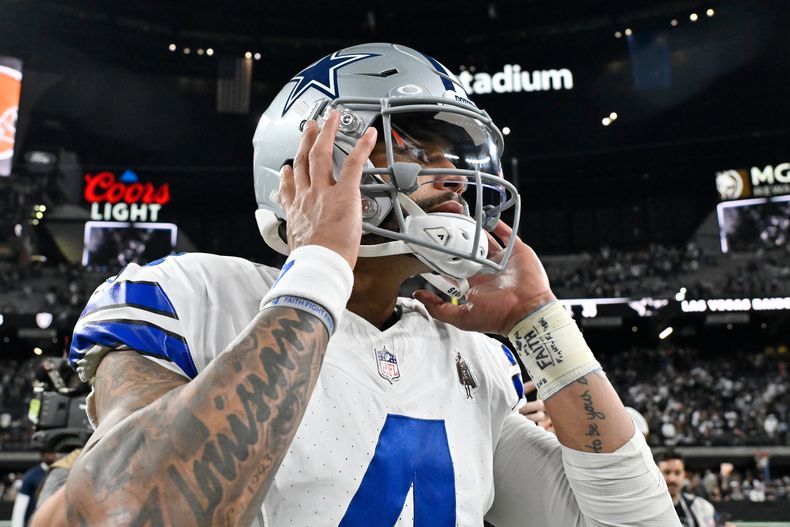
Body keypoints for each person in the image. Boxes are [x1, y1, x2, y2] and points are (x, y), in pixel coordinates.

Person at [57, 42, 677, 526]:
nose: (457, 180)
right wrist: (323, 262)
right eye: (420, 151)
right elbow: (129, 512)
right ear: (313, 157)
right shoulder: (197, 298)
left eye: (454, 159)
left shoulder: (470, 361)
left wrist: (536, 317)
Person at [657, 451, 721, 527]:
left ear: (684, 475)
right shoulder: (645, 508)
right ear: (657, 474)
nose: (672, 479)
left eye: (677, 473)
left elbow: (718, 522)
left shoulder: (700, 506)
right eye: (667, 472)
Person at [10, 451, 57, 527]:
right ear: (43, 456)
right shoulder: (32, 474)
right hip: (35, 520)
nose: (52, 456)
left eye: (53, 453)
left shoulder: (61, 473)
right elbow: (21, 503)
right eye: (49, 453)